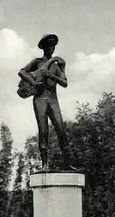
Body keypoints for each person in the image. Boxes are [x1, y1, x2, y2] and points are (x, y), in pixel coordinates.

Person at [18, 33, 76, 171]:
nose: (52, 49)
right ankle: (44, 164)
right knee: (43, 131)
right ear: (44, 47)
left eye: (53, 46)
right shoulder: (37, 62)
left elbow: (65, 83)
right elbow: (21, 72)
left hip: (53, 100)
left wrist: (50, 75)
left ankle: (67, 163)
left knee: (61, 131)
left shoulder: (57, 65)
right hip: (40, 99)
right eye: (49, 46)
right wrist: (34, 83)